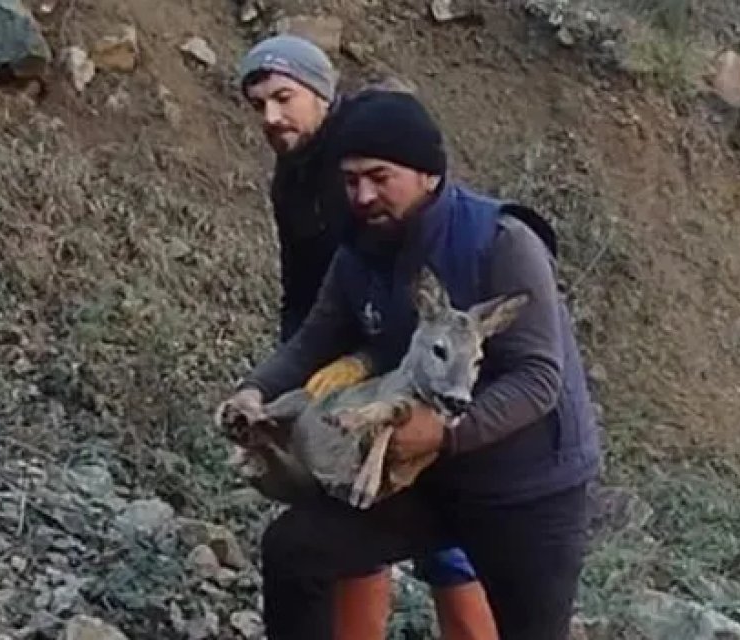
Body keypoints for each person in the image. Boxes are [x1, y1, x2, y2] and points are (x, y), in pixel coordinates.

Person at [219, 89, 601, 639]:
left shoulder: (500, 242)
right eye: (350, 181)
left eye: (379, 176)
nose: (364, 195)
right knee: (295, 550)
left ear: (428, 174)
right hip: (422, 481)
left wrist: (445, 435)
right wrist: (254, 393)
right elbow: (311, 343)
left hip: (528, 487)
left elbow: (539, 378)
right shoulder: (359, 254)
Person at [234, 34, 497, 638]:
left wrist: (363, 359)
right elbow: (305, 289)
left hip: (411, 365)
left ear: (321, 94)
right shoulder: (292, 177)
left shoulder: (366, 162)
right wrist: (286, 376)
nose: (272, 117)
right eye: (259, 105)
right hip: (332, 363)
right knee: (346, 506)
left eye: (284, 97)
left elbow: (406, 285)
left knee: (445, 540)